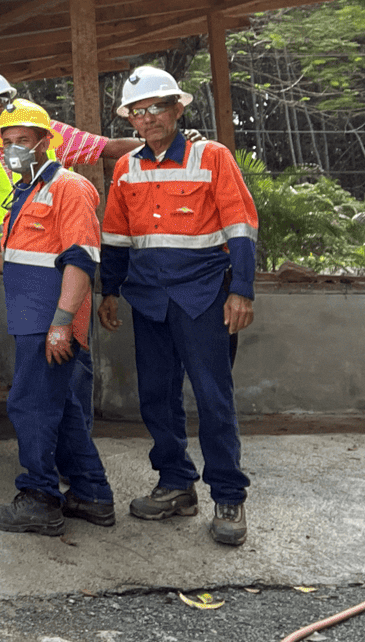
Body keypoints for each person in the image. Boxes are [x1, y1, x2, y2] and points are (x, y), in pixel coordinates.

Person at [97, 66, 259, 547]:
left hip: (204, 296)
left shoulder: (213, 157)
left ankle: (228, 495)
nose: (147, 119)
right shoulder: (126, 169)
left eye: (156, 108)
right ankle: (175, 484)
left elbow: (241, 226)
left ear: (177, 110)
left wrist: (242, 290)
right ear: (130, 120)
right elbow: (116, 236)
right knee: (156, 397)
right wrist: (110, 290)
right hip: (149, 298)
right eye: (137, 112)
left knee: (213, 398)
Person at [0, 101, 116, 537]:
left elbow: (81, 259)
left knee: (30, 406)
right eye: (7, 142)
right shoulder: (24, 192)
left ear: (44, 143)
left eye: (23, 140)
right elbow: (27, 259)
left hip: (49, 322)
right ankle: (92, 494)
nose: (13, 149)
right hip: (31, 318)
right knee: (65, 410)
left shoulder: (69, 187)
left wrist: (61, 323)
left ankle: (39, 498)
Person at [0, 70, 159, 247]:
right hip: (13, 250)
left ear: (9, 100)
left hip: (56, 244)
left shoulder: (48, 132)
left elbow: (109, 147)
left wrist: (164, 144)